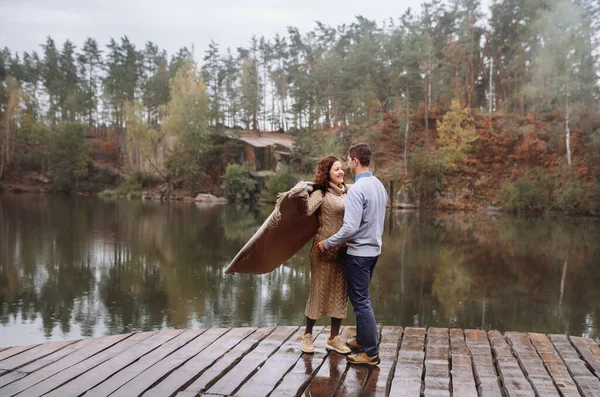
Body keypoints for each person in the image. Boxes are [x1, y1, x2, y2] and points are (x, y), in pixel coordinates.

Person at [317, 142, 388, 366]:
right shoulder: (379, 185)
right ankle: (363, 339)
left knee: (361, 302)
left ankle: (371, 353)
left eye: (349, 160)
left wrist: (327, 243)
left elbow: (350, 228)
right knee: (362, 298)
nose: (347, 164)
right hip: (374, 250)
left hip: (359, 254)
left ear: (356, 161)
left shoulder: (357, 189)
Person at [300, 155, 352, 355]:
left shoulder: (347, 192)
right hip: (322, 251)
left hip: (343, 251)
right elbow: (305, 211)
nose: (341, 172)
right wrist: (304, 193)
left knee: (340, 293)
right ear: (327, 174)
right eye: (336, 169)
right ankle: (307, 335)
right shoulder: (321, 193)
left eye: (341, 168)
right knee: (319, 292)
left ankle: (333, 338)